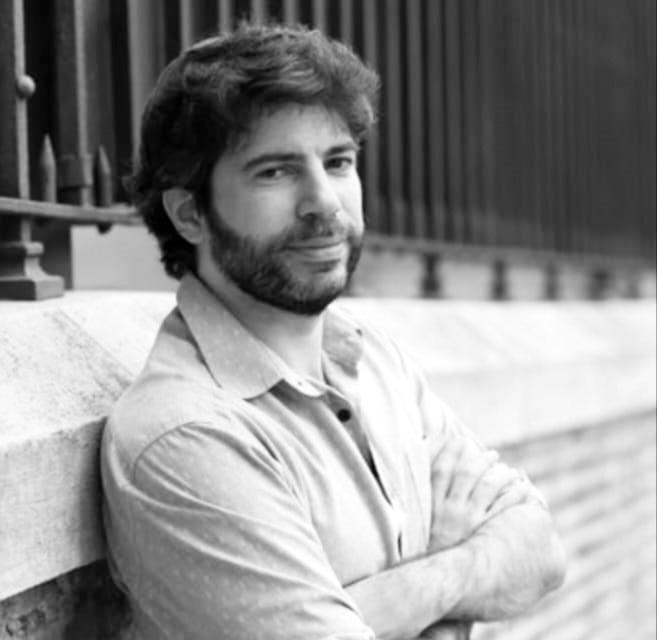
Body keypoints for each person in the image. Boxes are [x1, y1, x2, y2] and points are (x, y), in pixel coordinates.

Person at [101, 22, 566, 640]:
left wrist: (426, 586)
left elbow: (540, 548)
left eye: (338, 162)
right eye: (275, 172)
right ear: (190, 214)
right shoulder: (186, 436)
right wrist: (462, 584)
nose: (324, 202)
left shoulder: (375, 362)